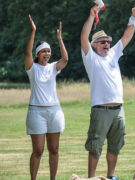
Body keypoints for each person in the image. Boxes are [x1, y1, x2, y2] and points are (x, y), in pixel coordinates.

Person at [80, 4, 135, 179]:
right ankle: (92, 178)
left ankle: (111, 176)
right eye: (103, 41)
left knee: (115, 146)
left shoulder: (114, 53)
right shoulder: (90, 57)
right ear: (94, 45)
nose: (107, 44)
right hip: (101, 110)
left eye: (108, 41)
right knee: (95, 146)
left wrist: (133, 18)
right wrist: (92, 15)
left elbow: (127, 36)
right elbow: (84, 37)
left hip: (118, 110)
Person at [24, 15, 68, 180]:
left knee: (54, 149)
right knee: (38, 150)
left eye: (49, 51)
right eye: (44, 51)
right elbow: (27, 52)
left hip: (54, 112)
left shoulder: (53, 67)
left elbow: (65, 59)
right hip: (36, 113)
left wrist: (59, 39)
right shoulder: (32, 68)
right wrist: (33, 31)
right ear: (38, 53)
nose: (47, 54)